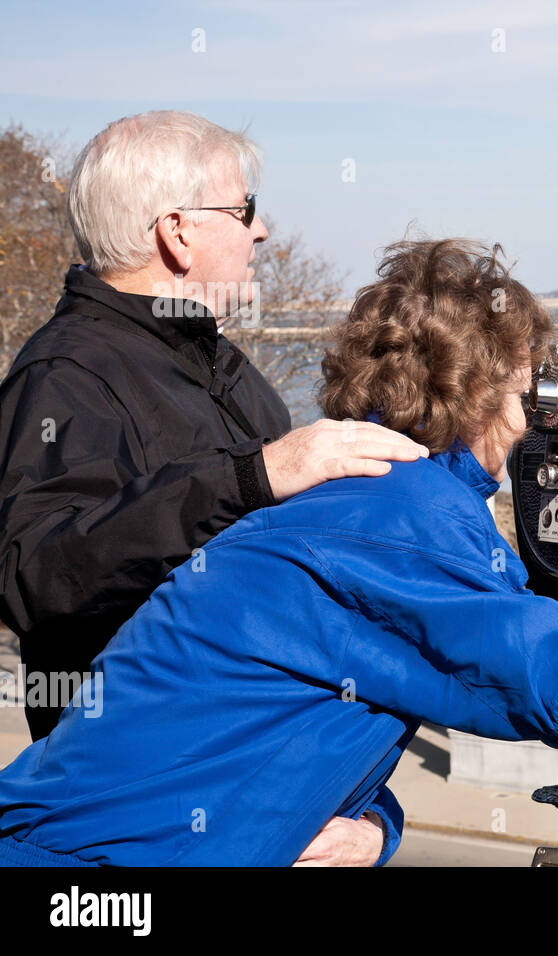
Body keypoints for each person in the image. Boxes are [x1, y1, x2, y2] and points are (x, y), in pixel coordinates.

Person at [0, 238, 558, 866]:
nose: (539, 421)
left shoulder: (370, 500)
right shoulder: (398, 524)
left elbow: (317, 713)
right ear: (483, 392)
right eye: (531, 391)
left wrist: (376, 829)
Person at [0, 111, 428, 864]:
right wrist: (251, 477)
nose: (262, 232)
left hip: (259, 810)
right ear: (178, 233)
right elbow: (36, 573)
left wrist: (373, 825)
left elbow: (311, 612)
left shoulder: (224, 370)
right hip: (139, 827)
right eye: (244, 210)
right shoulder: (67, 374)